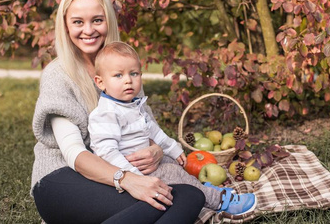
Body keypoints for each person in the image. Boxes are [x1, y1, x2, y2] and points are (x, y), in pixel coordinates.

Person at [31, 0, 206, 224]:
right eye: (78, 22)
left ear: (108, 22)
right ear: (66, 26)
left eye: (97, 20)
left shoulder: (123, 68)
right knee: (169, 199)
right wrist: (128, 180)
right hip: (64, 177)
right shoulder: (57, 75)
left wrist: (156, 150)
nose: (89, 30)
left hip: (114, 169)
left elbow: (145, 124)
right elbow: (74, 153)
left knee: (191, 195)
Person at [88, 41, 257, 215]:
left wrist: (173, 148)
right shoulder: (106, 114)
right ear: (100, 82)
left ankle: (201, 187)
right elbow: (106, 152)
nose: (128, 81)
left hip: (145, 165)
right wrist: (133, 176)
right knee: (174, 174)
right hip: (131, 173)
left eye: (134, 73)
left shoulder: (132, 105)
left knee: (174, 163)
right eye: (118, 75)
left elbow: (154, 131)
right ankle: (219, 201)